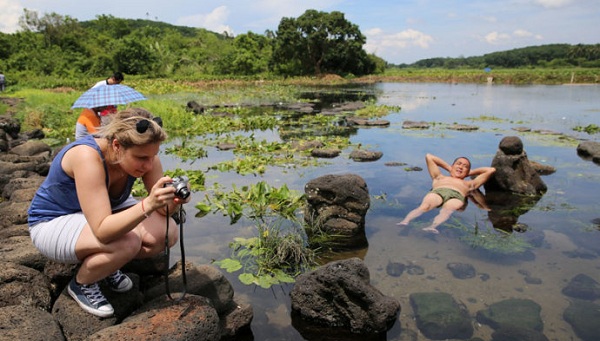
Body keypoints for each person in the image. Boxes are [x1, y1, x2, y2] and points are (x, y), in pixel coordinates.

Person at [28, 107, 189, 318]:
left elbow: (165, 212)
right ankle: (82, 282)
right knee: (128, 242)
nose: (148, 164)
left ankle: (108, 266)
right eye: (141, 158)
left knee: (165, 234)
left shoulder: (145, 156)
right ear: (116, 145)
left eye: (153, 156)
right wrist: (147, 204)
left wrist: (174, 201)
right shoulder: (87, 156)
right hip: (52, 221)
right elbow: (103, 230)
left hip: (96, 214)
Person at [397, 153, 496, 234]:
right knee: (425, 206)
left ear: (468, 171)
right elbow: (429, 157)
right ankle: (405, 221)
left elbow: (491, 170)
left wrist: (469, 172)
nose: (461, 167)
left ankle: (432, 226)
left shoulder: (470, 184)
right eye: (459, 164)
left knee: (447, 210)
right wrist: (450, 168)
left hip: (457, 196)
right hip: (439, 191)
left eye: (465, 166)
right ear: (452, 166)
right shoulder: (439, 177)